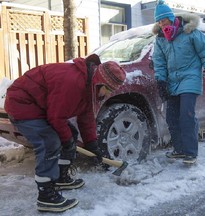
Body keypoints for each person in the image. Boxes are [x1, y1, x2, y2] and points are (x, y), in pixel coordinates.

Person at [4, 54, 126, 212]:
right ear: (101, 81)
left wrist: (92, 145)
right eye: (108, 89)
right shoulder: (73, 82)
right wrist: (66, 141)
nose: (108, 94)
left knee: (71, 134)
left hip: (41, 106)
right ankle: (46, 196)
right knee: (50, 142)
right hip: (22, 104)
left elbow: (86, 117)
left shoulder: (90, 85)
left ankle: (61, 177)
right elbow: (56, 118)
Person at [152, 0, 205, 164]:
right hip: (172, 82)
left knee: (186, 115)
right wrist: (161, 81)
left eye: (163, 20)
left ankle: (190, 152)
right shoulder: (160, 39)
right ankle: (179, 149)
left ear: (170, 17)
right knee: (171, 117)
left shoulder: (190, 32)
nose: (161, 24)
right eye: (158, 22)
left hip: (190, 78)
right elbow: (159, 62)